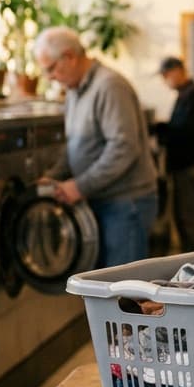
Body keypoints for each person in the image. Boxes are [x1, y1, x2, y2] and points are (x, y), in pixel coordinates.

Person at [35, 26, 160, 268]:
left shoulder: (110, 86)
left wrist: (80, 185)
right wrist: (54, 177)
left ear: (69, 57)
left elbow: (123, 148)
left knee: (123, 291)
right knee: (105, 288)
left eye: (50, 69)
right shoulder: (75, 91)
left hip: (125, 204)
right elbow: (76, 144)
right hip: (102, 199)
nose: (49, 77)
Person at [154, 56, 194, 252]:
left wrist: (159, 131)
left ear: (178, 71)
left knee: (190, 218)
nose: (165, 80)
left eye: (166, 75)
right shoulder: (185, 94)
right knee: (183, 217)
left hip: (191, 168)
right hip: (184, 167)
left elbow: (185, 132)